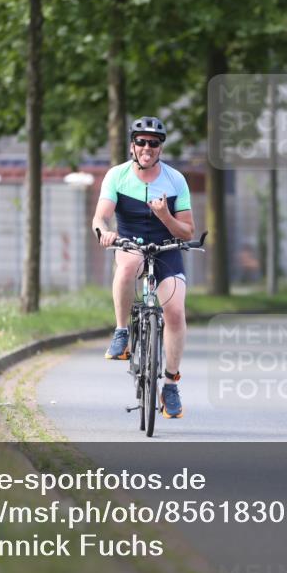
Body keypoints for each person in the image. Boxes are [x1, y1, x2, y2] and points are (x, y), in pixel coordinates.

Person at [92, 116, 194, 419]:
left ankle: (171, 384)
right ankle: (122, 332)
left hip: (168, 248)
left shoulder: (175, 180)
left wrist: (165, 216)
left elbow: (187, 231)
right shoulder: (117, 176)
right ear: (132, 146)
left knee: (175, 312)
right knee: (127, 267)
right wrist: (105, 232)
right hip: (129, 243)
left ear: (161, 147)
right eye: (141, 142)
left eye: (154, 143)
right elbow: (100, 218)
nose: (147, 147)